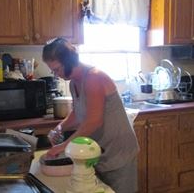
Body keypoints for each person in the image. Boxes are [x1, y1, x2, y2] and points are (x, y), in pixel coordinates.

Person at [42, 37, 139, 193]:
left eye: (57, 69)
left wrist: (63, 146)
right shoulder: (74, 82)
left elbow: (93, 122)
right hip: (100, 151)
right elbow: (77, 113)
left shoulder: (93, 77)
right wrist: (59, 128)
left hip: (118, 152)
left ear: (68, 61)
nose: (55, 74)